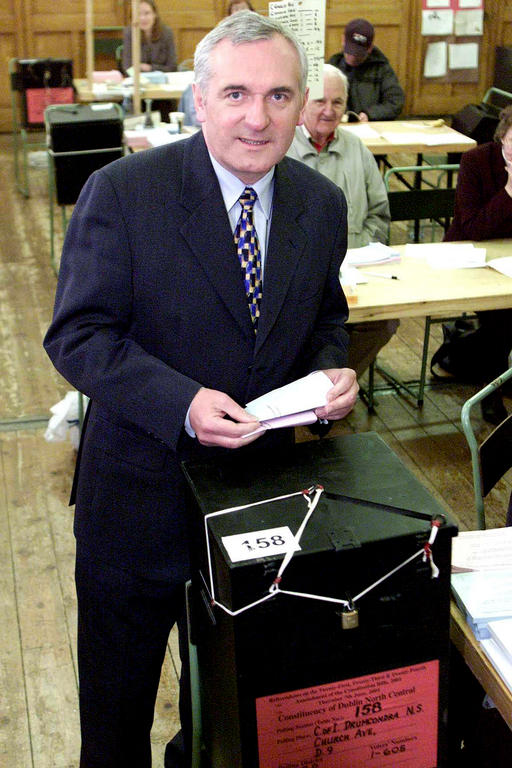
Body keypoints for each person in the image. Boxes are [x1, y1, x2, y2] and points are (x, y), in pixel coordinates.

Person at [44, 10, 358, 768]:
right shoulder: (123, 193)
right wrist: (180, 402)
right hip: (138, 502)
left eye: (281, 96)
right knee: (115, 721)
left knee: (228, 707)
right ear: (199, 98)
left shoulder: (320, 206)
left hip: (260, 506)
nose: (259, 118)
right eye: (237, 94)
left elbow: (324, 317)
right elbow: (78, 335)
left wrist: (332, 370)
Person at [287, 64, 398, 378]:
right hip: (300, 274)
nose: (328, 110)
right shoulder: (282, 148)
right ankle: (307, 390)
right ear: (304, 101)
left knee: (386, 320)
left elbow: (379, 213)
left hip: (355, 270)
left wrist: (360, 251)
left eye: (337, 103)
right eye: (321, 101)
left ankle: (334, 388)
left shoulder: (357, 148)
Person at [437, 105, 512, 424]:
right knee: (503, 318)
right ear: (501, 138)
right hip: (470, 257)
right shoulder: (477, 161)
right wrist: (510, 191)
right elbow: (471, 228)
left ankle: (464, 347)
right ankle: (491, 391)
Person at [328, 18, 404, 122]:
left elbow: (395, 102)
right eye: (349, 51)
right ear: (343, 41)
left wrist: (370, 114)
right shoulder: (332, 67)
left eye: (358, 54)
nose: (353, 57)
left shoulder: (381, 68)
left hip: (371, 125)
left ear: (369, 48)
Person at [122, 0, 177, 74]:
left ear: (155, 14)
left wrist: (149, 68)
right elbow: (127, 67)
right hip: (139, 81)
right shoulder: (129, 33)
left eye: (147, 13)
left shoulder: (167, 33)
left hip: (162, 80)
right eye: (138, 14)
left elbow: (172, 67)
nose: (142, 18)